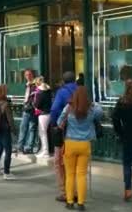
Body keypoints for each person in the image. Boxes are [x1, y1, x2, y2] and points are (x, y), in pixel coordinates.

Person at [58, 86, 103, 211]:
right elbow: (100, 113)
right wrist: (94, 103)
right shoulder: (91, 109)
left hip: (70, 143)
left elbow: (58, 121)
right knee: (82, 175)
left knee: (70, 174)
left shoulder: (69, 108)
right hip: (85, 144)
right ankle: (81, 203)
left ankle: (70, 201)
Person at [50, 71, 78, 202]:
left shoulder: (61, 92)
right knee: (76, 164)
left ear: (63, 80)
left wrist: (55, 124)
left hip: (64, 131)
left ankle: (66, 192)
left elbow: (55, 110)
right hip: (80, 133)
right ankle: (77, 190)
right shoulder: (81, 90)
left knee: (59, 162)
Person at [17, 69, 38, 154]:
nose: (28, 76)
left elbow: (34, 96)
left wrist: (29, 104)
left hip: (30, 108)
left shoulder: (35, 84)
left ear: (33, 75)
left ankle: (23, 146)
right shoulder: (27, 85)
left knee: (26, 127)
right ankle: (26, 147)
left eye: (29, 74)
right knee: (29, 127)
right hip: (28, 107)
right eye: (26, 75)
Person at [33, 77, 53, 158]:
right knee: (44, 132)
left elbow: (37, 104)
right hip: (49, 113)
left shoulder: (40, 92)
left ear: (37, 84)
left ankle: (45, 151)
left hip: (43, 114)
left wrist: (34, 101)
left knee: (42, 133)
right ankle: (43, 149)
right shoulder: (48, 91)